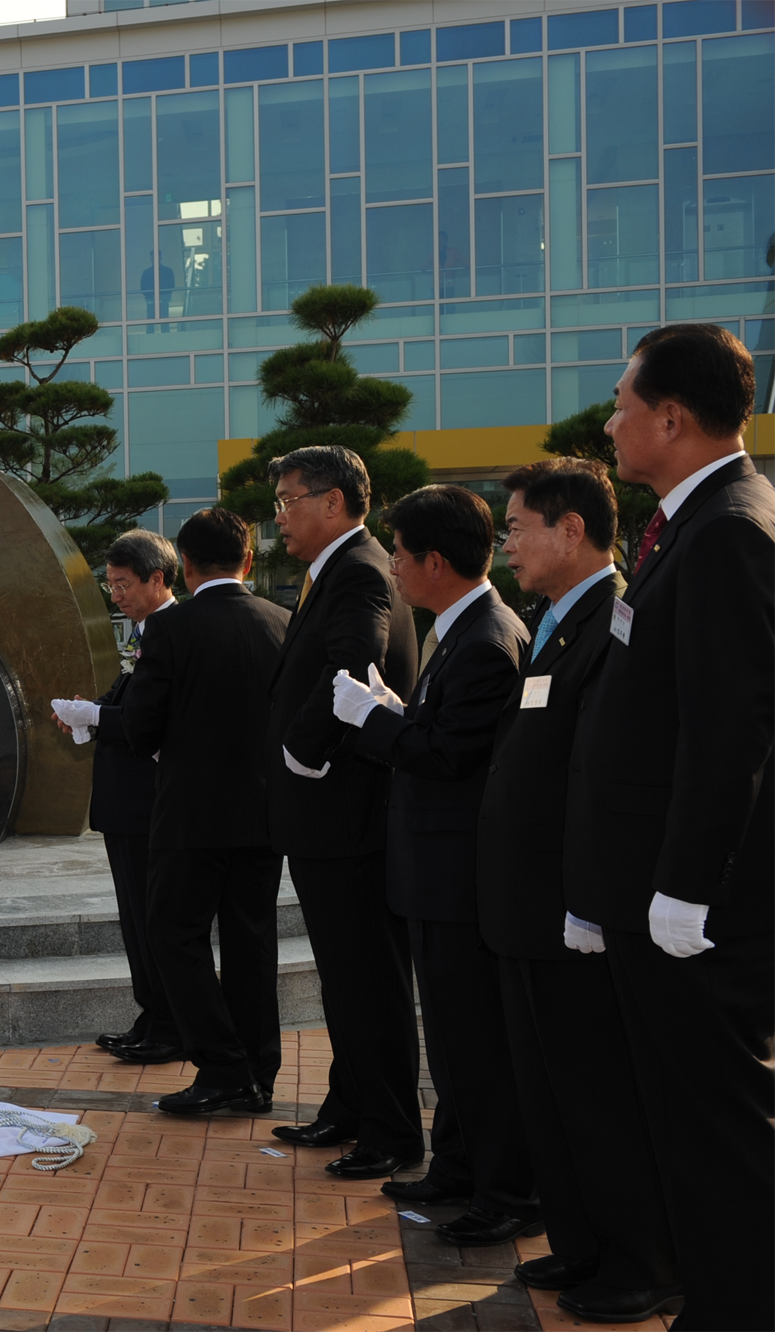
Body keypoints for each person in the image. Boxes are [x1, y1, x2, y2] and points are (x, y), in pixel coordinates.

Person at [565, 324, 773, 1331]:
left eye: (617, 404)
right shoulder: (685, 525)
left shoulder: (728, 526)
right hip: (647, 891)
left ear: (670, 417)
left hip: (694, 908)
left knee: (717, 1131)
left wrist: (686, 886)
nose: (607, 423)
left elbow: (729, 725)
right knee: (681, 1125)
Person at [478, 459, 680, 1322]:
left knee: (599, 1095)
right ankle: (583, 1242)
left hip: (577, 911)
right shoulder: (554, 622)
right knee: (551, 1091)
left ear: (570, 530)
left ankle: (642, 1263)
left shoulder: (614, 619)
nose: (508, 545)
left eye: (518, 527)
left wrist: (584, 898)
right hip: (531, 908)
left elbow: (609, 775)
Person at [337, 486, 532, 1242]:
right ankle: (458, 1165)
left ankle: (506, 1190)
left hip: (459, 881)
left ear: (435, 562)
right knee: (451, 1041)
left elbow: (450, 755)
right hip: (435, 875)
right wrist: (395, 709)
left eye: (399, 554)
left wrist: (375, 721)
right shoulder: (461, 627)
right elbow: (441, 729)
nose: (392, 568)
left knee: (477, 1044)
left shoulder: (485, 638)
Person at [263, 445, 421, 1179]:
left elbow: (356, 665)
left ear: (333, 503)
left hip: (347, 810)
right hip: (330, 814)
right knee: (343, 974)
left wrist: (306, 750)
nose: (280, 517)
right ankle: (350, 1106)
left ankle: (390, 1129)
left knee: (366, 977)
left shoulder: (358, 570)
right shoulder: (334, 570)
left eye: (289, 500)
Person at [115, 509, 290, 1113]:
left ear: (184, 567)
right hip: (265, 815)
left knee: (173, 935)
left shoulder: (173, 630)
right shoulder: (282, 623)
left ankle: (221, 1065)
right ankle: (258, 1070)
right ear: (248, 561)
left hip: (189, 817)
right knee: (252, 941)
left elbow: (141, 724)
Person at [52, 529, 180, 1064]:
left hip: (147, 802)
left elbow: (148, 719)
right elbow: (126, 694)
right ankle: (151, 1016)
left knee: (154, 919)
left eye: (124, 584)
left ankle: (168, 1025)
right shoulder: (144, 631)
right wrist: (93, 709)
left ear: (157, 578)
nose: (117, 595)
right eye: (111, 586)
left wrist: (96, 717)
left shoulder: (171, 631)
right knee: (135, 916)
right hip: (127, 804)